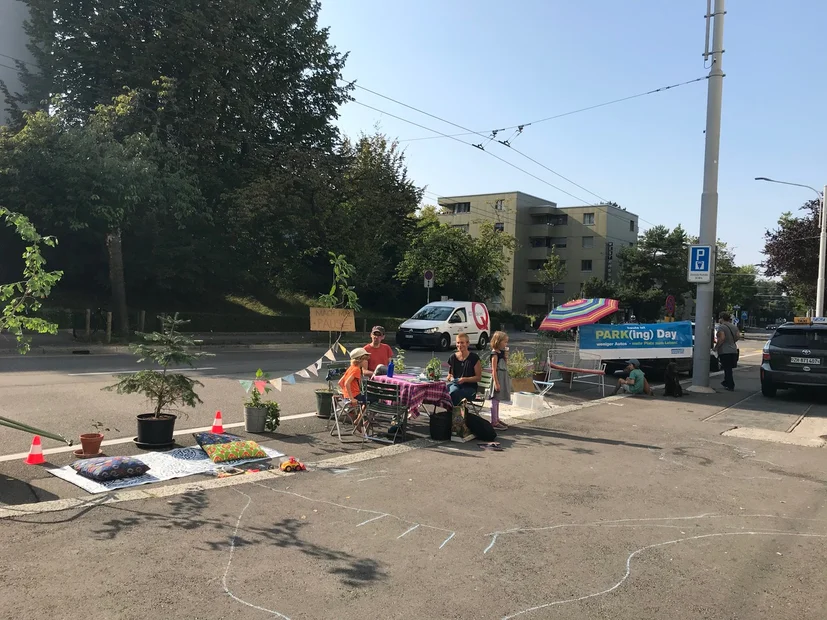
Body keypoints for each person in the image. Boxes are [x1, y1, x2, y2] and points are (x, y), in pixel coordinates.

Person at [446, 332, 482, 406]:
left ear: (468, 343)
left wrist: (465, 379)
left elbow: (478, 378)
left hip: (470, 387)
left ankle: (454, 413)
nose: (459, 345)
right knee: (448, 391)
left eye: (462, 343)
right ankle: (454, 413)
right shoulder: (453, 357)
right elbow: (450, 375)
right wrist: (451, 378)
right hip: (456, 384)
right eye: (458, 343)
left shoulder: (474, 358)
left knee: (456, 394)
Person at [488, 330, 511, 431]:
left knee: (498, 400)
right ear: (498, 341)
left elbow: (505, 364)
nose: (506, 344)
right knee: (495, 400)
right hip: (497, 378)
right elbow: (493, 370)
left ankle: (497, 419)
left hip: (502, 377)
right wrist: (496, 383)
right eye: (504, 342)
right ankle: (494, 421)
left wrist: (506, 356)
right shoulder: (494, 354)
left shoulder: (501, 353)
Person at [715, 312, 740, 391]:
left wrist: (716, 347)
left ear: (722, 318)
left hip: (725, 351)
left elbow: (722, 338)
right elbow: (737, 336)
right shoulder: (734, 326)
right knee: (728, 368)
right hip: (733, 350)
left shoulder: (722, 327)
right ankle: (727, 382)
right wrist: (731, 342)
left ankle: (730, 384)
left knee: (727, 368)